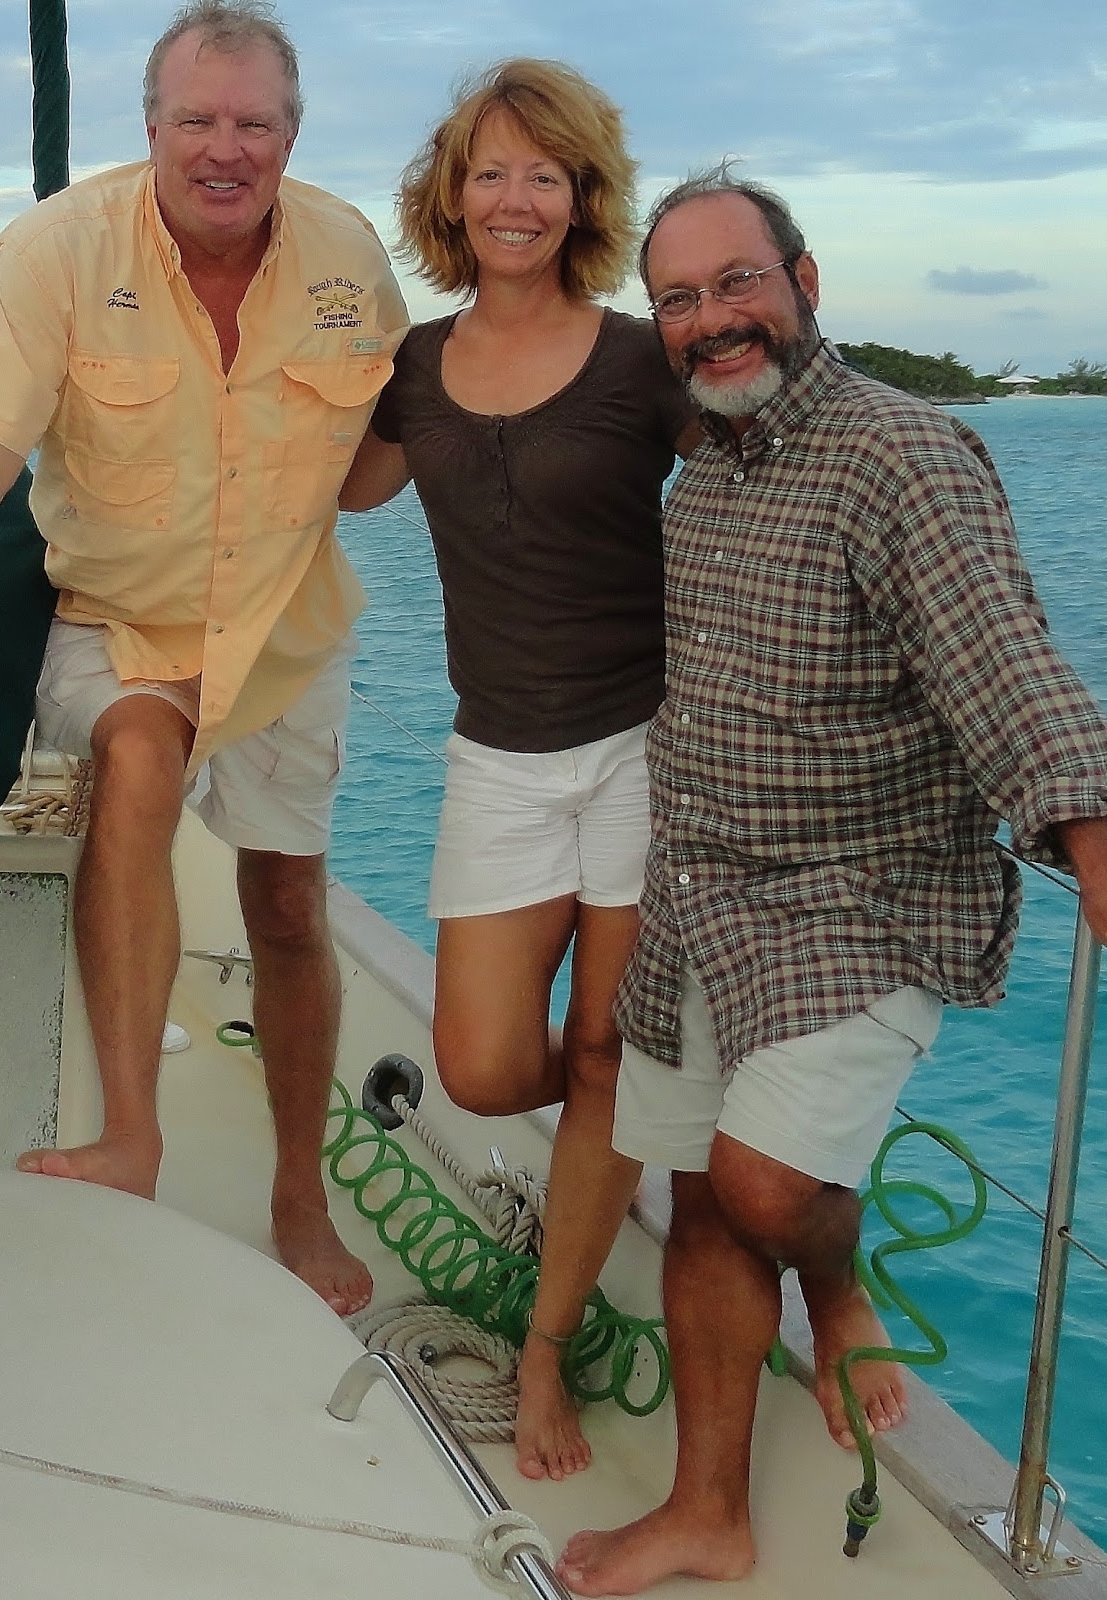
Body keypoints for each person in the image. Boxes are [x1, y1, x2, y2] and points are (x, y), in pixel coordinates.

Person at [555, 167, 1107, 1594]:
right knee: (699, 1196)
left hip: (863, 896)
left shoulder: (901, 455)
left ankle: (837, 1285)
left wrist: (1101, 860)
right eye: (679, 299)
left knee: (763, 1186)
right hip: (703, 892)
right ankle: (708, 1511)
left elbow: (1002, 661)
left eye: (738, 281)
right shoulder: (702, 475)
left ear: (804, 281)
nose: (712, 319)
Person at [0, 1, 409, 1317]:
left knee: (287, 909)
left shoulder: (347, 253)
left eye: (255, 123)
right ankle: (131, 1139)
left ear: (293, 133)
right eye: (197, 120)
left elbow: (372, 473)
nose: (226, 149)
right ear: (151, 125)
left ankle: (300, 1197)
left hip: (283, 624)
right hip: (119, 612)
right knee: (139, 760)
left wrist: (473, 426)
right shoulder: (60, 248)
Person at [338, 60, 698, 1480]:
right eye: (490, 171)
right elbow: (329, 485)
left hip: (649, 747)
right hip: (498, 756)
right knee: (485, 1067)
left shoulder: (638, 361)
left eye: (545, 173)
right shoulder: (414, 369)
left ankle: (548, 1342)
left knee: (603, 1050)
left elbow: (770, 478)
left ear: (583, 197)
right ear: (451, 196)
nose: (516, 197)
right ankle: (634, 1114)